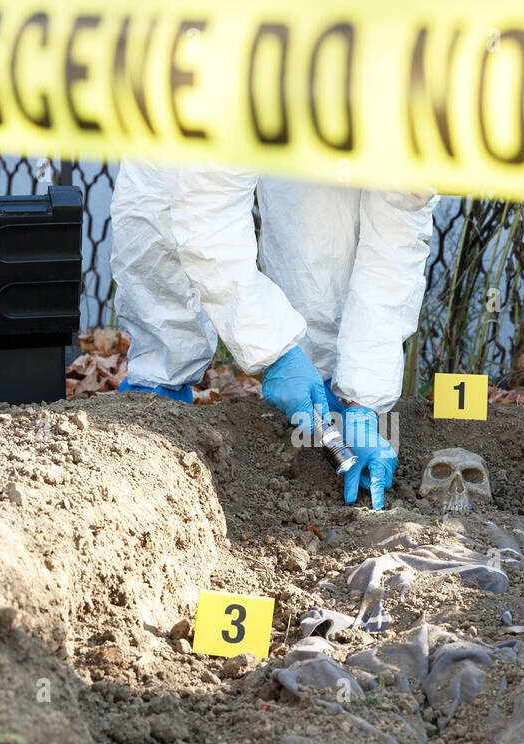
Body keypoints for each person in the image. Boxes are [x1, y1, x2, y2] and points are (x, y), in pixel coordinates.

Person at [109, 162, 437, 510]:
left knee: (318, 217)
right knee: (162, 200)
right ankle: (157, 387)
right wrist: (273, 351)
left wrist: (364, 398)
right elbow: (207, 216)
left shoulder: (425, 132)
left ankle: (324, 387)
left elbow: (394, 252)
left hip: (331, 126)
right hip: (200, 121)